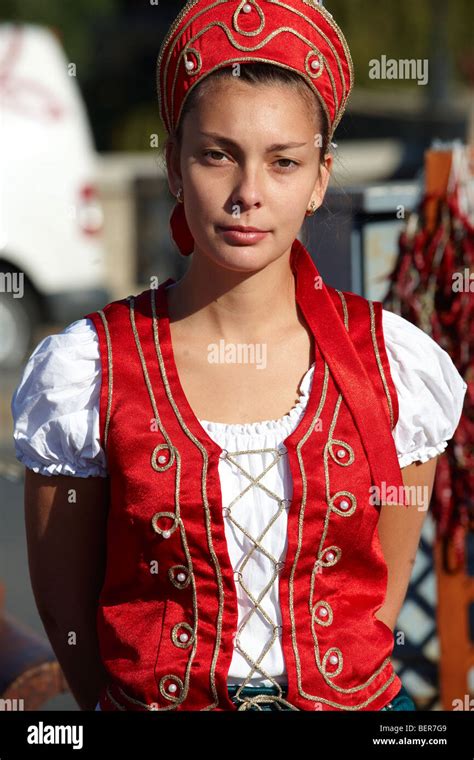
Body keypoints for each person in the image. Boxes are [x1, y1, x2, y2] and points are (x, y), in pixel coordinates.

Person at [11, 0, 467, 712]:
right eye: (217, 154)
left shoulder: (393, 365)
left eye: (283, 162)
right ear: (172, 163)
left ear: (320, 178)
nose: (248, 194)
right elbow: (69, 618)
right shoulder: (87, 371)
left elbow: (375, 607)